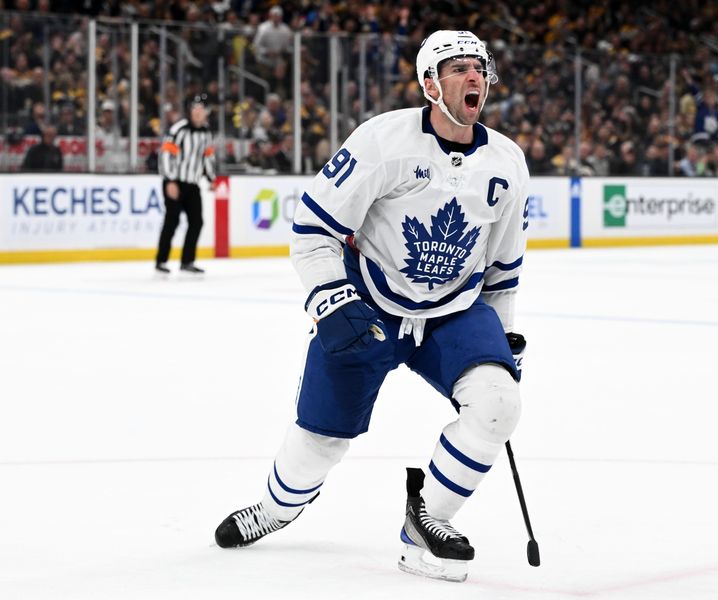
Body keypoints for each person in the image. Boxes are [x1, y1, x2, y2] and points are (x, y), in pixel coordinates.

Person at [214, 30, 529, 583]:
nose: (473, 76)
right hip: (371, 303)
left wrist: (503, 334)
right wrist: (333, 299)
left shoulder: (507, 162)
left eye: (479, 67)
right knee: (319, 440)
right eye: (456, 68)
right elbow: (314, 231)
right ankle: (277, 509)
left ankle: (424, 525)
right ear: (430, 84)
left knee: (498, 404)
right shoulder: (383, 142)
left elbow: (503, 267)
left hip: (454, 309)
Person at [155, 94, 215, 274]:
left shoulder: (206, 132)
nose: (197, 113)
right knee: (171, 221)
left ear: (206, 113)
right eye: (194, 109)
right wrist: (170, 180)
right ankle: (161, 260)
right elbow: (166, 155)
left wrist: (211, 178)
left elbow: (207, 157)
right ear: (190, 111)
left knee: (197, 221)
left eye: (201, 110)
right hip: (175, 182)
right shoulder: (178, 129)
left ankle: (187, 261)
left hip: (192, 184)